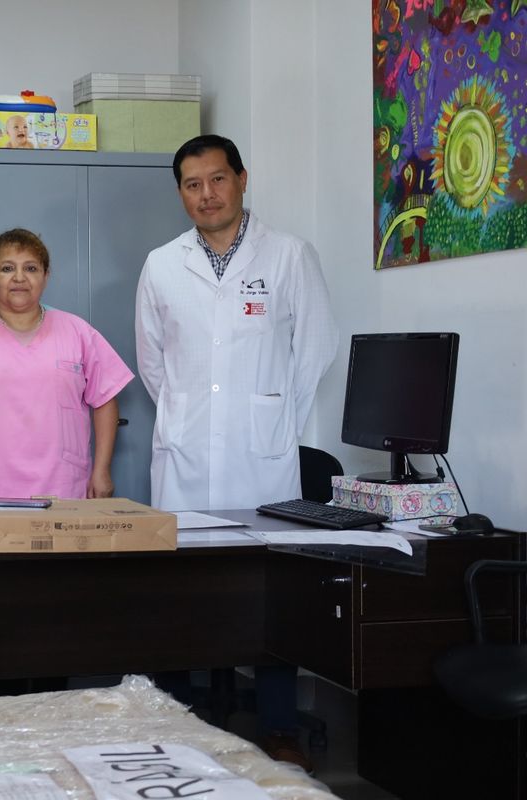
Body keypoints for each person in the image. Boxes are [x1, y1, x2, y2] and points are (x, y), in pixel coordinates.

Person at [134, 134, 339, 770]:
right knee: (181, 591)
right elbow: (152, 361)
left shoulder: (288, 256)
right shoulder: (161, 265)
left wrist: (272, 415)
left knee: (269, 593)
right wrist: (190, 416)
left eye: (217, 179)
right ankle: (173, 718)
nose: (207, 194)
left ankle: (279, 726)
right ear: (180, 193)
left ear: (242, 180)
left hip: (262, 457)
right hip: (186, 454)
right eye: (193, 185)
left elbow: (317, 347)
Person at [0, 228, 133, 510]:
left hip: (65, 486)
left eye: (31, 268)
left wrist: (102, 469)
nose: (19, 278)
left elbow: (106, 399)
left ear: (46, 276)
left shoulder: (78, 332)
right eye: (7, 268)